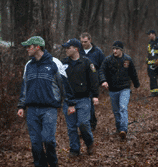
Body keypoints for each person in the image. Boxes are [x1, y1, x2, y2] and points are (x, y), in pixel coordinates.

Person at [17, 36, 76, 167]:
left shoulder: (55, 63)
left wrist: (70, 103)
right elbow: (25, 87)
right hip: (32, 109)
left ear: (37, 47)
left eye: (29, 46)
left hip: (49, 108)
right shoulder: (28, 65)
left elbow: (64, 85)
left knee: (48, 140)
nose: (27, 49)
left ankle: (53, 164)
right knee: (36, 143)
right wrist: (21, 106)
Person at [62, 38, 99, 157]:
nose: (66, 50)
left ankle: (89, 143)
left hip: (83, 99)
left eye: (68, 47)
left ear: (76, 49)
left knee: (83, 123)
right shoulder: (63, 63)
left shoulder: (87, 62)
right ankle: (74, 149)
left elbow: (94, 80)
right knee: (71, 127)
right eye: (66, 48)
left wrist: (95, 95)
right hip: (68, 100)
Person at [99, 41, 140, 140]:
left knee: (123, 107)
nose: (115, 51)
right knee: (116, 111)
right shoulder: (108, 60)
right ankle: (119, 128)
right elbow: (101, 71)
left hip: (125, 88)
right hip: (113, 89)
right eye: (113, 49)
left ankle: (123, 129)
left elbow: (133, 72)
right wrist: (103, 81)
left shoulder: (127, 59)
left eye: (117, 49)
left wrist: (136, 83)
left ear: (121, 50)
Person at [79, 32, 105, 131]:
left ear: (90, 40)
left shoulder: (98, 52)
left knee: (90, 103)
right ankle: (86, 124)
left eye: (85, 42)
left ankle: (91, 123)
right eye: (82, 42)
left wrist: (102, 79)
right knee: (83, 104)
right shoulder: (79, 51)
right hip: (80, 82)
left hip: (93, 82)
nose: (83, 44)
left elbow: (103, 66)